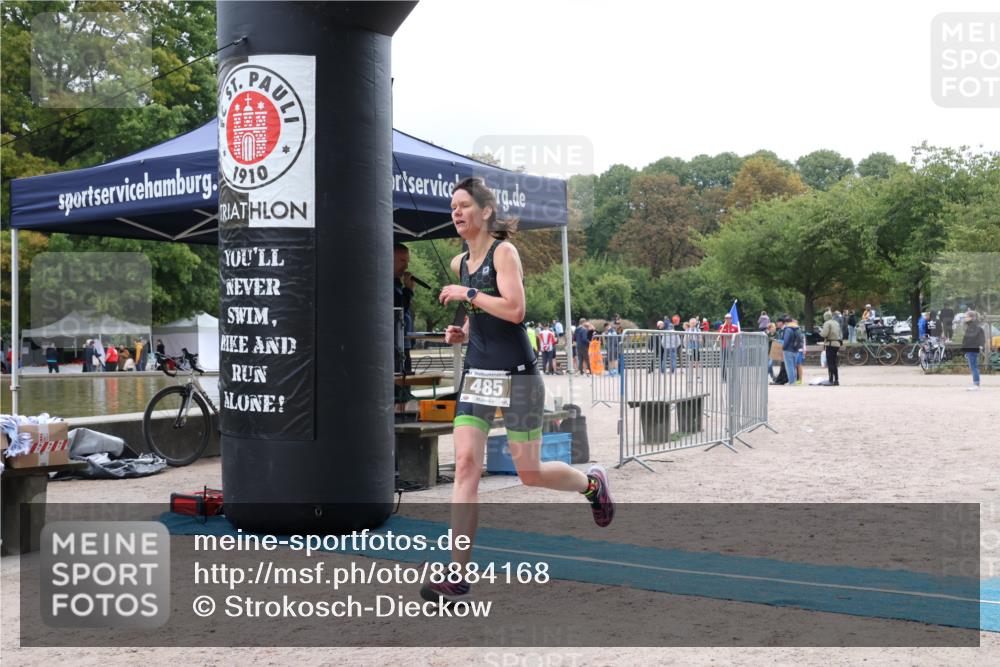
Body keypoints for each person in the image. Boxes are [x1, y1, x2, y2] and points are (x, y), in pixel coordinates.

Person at [424, 177, 614, 606]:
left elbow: (515, 310)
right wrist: (464, 331)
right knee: (467, 466)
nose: (455, 213)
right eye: (452, 207)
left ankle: (591, 484)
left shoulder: (503, 253)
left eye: (463, 205)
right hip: (479, 374)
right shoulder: (460, 263)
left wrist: (468, 292)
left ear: (486, 211)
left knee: (528, 472)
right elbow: (483, 316)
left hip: (519, 375)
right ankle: (457, 574)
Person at [393, 243, 416, 374]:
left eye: (407, 261)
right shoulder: (385, 283)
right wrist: (408, 290)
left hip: (404, 341)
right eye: (402, 260)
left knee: (406, 382)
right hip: (395, 344)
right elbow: (399, 310)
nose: (406, 266)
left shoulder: (397, 283)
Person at [960, 310, 986, 391]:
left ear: (971, 318)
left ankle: (976, 384)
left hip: (973, 348)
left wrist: (979, 346)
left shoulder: (974, 326)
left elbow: (979, 337)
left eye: (966, 316)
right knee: (973, 366)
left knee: (974, 366)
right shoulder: (971, 326)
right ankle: (976, 384)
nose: (964, 318)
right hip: (970, 348)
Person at [819, 310, 842, 385]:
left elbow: (824, 334)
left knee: (830, 363)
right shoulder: (836, 323)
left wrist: (820, 332)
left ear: (826, 317)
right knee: (834, 363)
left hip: (830, 344)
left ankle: (831, 380)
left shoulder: (827, 323)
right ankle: (836, 380)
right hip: (837, 344)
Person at [781, 317, 802, 385]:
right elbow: (800, 339)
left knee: (789, 366)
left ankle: (792, 382)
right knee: (793, 366)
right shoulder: (797, 328)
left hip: (788, 350)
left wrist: (783, 348)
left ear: (786, 322)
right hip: (796, 350)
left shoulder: (788, 329)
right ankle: (794, 381)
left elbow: (786, 340)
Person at [719, 312, 738, 381]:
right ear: (724, 319)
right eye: (726, 318)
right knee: (723, 362)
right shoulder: (722, 326)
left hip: (733, 347)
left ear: (731, 319)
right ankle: (724, 378)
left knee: (734, 362)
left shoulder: (735, 327)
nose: (728, 320)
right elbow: (719, 336)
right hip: (724, 347)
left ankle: (734, 377)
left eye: (729, 318)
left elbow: (737, 337)